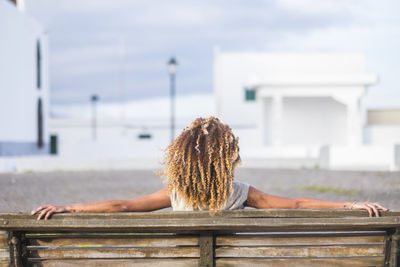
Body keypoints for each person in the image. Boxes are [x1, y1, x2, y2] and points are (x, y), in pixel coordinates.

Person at [32, 117, 387, 220]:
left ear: (184, 159)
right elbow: (295, 204)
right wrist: (349, 205)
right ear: (226, 158)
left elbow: (120, 207)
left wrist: (67, 207)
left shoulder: (176, 194)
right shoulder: (240, 194)